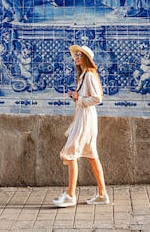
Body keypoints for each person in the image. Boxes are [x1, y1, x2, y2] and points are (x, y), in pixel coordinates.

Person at [52, 45, 109, 207]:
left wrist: (80, 98)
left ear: (86, 58)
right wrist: (77, 96)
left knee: (71, 151)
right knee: (91, 155)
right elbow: (86, 97)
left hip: (85, 118)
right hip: (84, 117)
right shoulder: (84, 75)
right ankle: (102, 194)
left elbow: (97, 98)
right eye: (75, 56)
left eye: (79, 55)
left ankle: (70, 195)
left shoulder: (90, 75)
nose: (76, 58)